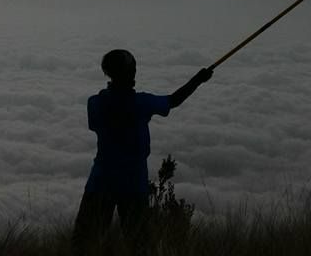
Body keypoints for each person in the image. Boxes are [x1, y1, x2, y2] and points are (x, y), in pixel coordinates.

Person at [72, 49, 212, 253]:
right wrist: (198, 80)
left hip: (100, 182)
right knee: (139, 246)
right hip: (133, 185)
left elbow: (97, 122)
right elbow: (173, 101)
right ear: (132, 73)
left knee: (84, 244)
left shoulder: (95, 103)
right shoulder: (142, 103)